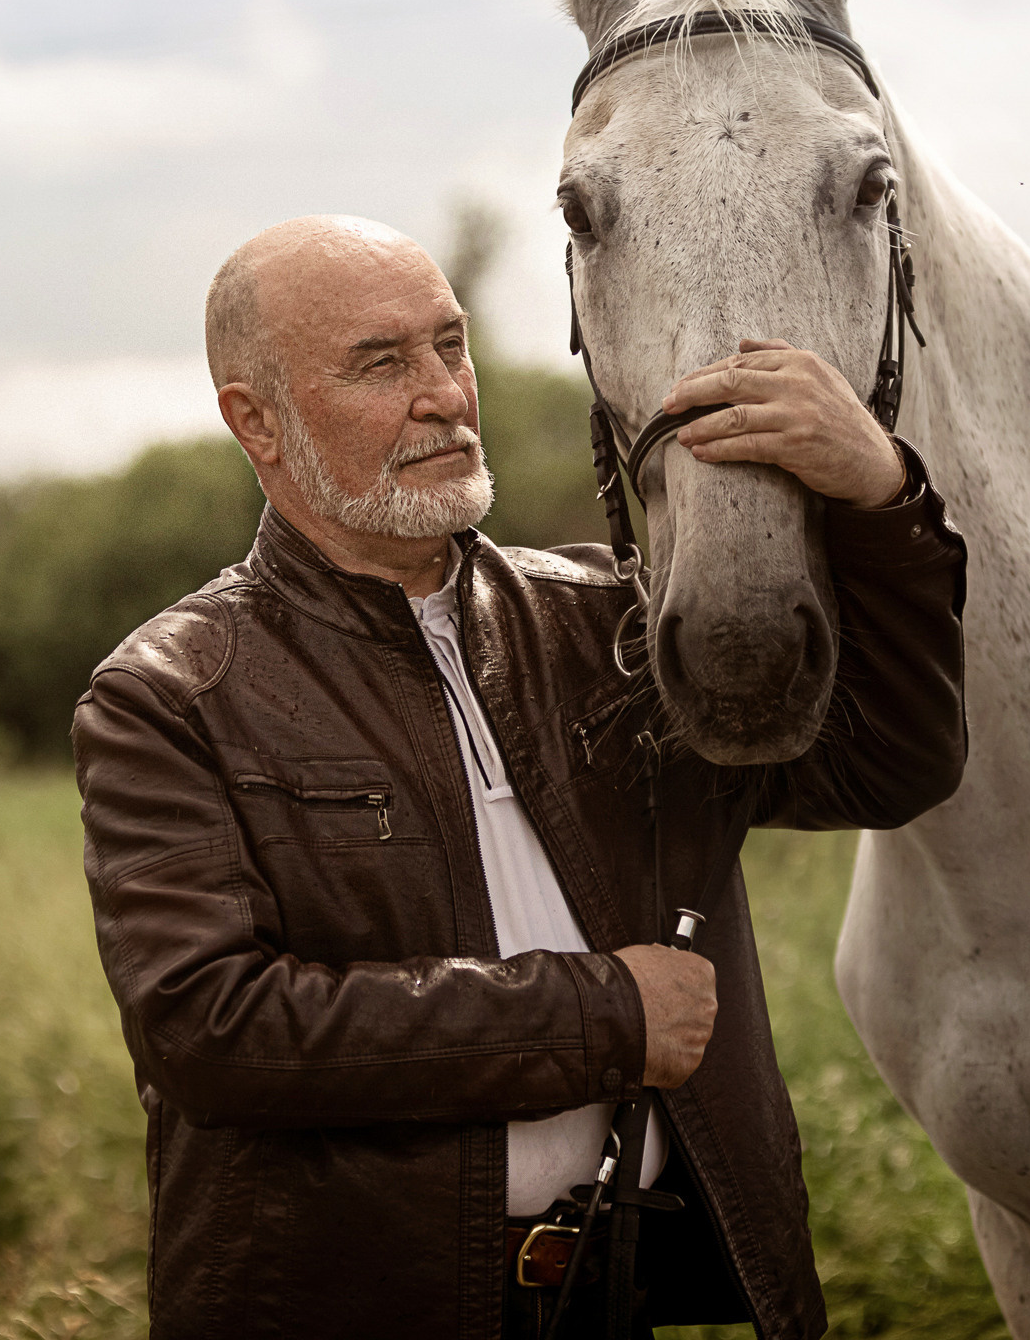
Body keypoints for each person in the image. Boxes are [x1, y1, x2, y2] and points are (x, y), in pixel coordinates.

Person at [73, 214, 967, 1339]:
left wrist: (883, 498)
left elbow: (889, 763)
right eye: (381, 363)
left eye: (451, 346)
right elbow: (215, 1030)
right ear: (258, 421)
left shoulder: (607, 625)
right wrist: (606, 1010)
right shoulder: (173, 691)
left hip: (613, 1295)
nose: (444, 393)